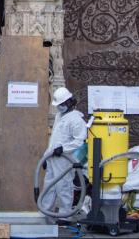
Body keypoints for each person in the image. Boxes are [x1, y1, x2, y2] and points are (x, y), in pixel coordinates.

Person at [42, 87, 87, 221]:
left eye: (62, 104)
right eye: (58, 105)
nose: (60, 107)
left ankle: (65, 215)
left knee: (64, 186)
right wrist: (45, 157)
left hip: (64, 159)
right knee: (49, 186)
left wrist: (63, 149)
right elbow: (54, 140)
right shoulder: (59, 116)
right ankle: (45, 212)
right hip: (52, 157)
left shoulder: (76, 119)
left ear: (69, 102)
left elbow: (79, 141)